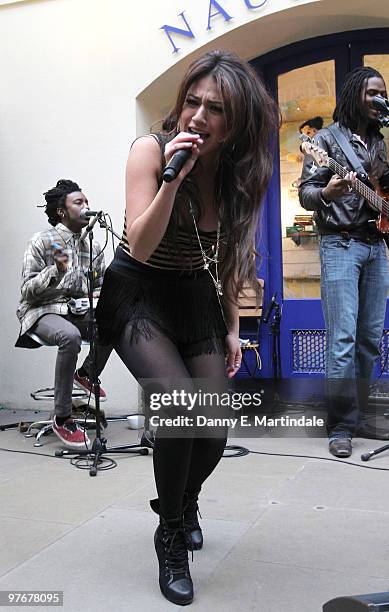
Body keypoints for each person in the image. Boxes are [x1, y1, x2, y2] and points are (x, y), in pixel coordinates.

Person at [95, 50, 278, 605]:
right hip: (138, 290)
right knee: (177, 405)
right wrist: (173, 180)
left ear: (236, 121)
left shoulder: (238, 176)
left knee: (214, 428)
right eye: (192, 101)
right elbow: (143, 246)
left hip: (194, 296)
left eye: (214, 108)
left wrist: (230, 327)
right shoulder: (150, 150)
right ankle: (169, 533)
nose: (197, 116)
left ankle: (184, 498)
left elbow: (226, 257)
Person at [299, 66, 389, 458]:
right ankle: (339, 423)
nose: (379, 99)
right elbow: (307, 192)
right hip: (342, 244)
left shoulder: (381, 143)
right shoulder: (324, 141)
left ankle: (359, 414)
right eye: (373, 93)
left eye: (383, 93)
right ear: (355, 95)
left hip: (376, 246)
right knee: (342, 340)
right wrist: (330, 192)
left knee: (370, 339)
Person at [16, 179, 112, 449]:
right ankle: (63, 417)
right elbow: (27, 291)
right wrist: (54, 271)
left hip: (76, 311)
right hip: (41, 311)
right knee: (69, 336)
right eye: (78, 202)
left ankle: (86, 374)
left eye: (87, 202)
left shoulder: (90, 245)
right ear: (62, 211)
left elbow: (99, 284)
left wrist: (99, 294)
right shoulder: (43, 241)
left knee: (115, 321)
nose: (86, 206)